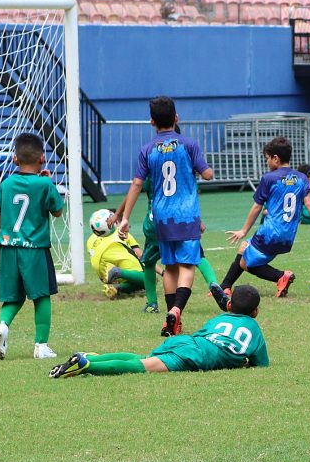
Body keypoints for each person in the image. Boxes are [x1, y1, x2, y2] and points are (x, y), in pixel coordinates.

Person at [117, 96, 218, 337]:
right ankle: (176, 310)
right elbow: (207, 175)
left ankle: (172, 319)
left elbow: (136, 184)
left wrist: (125, 217)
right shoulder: (188, 145)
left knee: (170, 266)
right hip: (186, 215)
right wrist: (204, 168)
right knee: (188, 265)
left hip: (161, 216)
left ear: (152, 122)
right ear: (176, 118)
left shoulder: (147, 149)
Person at [49, 285, 268, 378]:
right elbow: (261, 364)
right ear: (255, 312)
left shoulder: (219, 318)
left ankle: (90, 357)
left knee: (143, 358)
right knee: (142, 367)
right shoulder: (254, 330)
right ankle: (87, 365)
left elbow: (204, 334)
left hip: (187, 342)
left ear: (229, 306)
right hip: (196, 356)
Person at [221, 137, 310, 298]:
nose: (266, 162)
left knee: (245, 262)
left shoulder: (269, 178)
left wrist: (244, 229)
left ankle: (280, 276)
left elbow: (257, 206)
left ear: (275, 158)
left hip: (270, 232)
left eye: (267, 158)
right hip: (288, 236)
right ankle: (225, 287)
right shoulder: (301, 178)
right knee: (244, 247)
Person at [0, 133, 64, 360]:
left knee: (12, 296)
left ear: (14, 159)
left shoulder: (7, 183)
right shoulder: (44, 183)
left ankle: (2, 325)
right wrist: (48, 182)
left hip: (9, 247)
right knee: (41, 296)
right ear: (42, 158)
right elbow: (58, 211)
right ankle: (41, 346)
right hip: (35, 249)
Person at [109, 172, 222, 314]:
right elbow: (189, 195)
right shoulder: (179, 167)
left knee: (150, 264)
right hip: (179, 220)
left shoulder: (152, 168)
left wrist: (119, 214)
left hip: (155, 223)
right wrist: (197, 220)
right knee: (196, 256)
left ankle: (152, 303)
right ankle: (213, 283)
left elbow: (135, 188)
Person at [87, 209, 150, 300]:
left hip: (104, 275)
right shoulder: (120, 233)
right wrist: (162, 272)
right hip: (118, 270)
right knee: (150, 280)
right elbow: (141, 255)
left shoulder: (90, 240)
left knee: (138, 285)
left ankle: (116, 288)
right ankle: (118, 272)